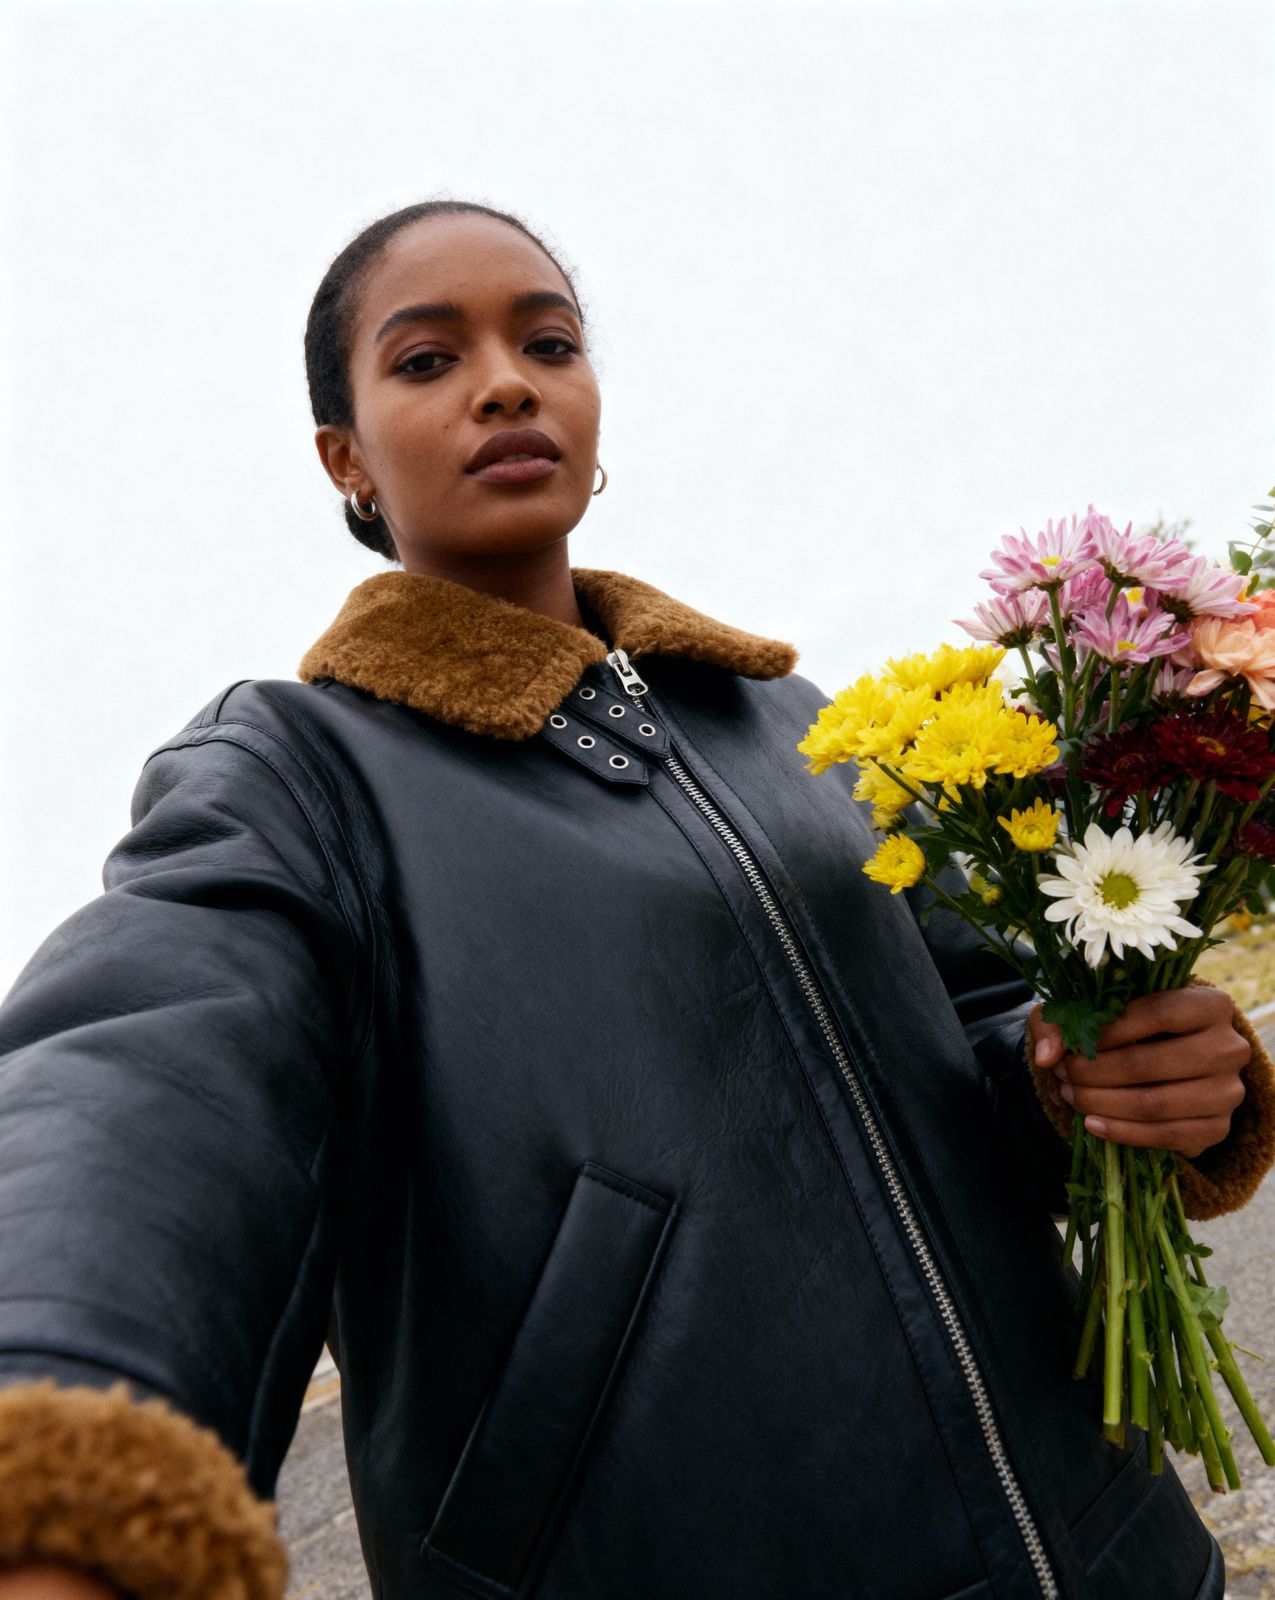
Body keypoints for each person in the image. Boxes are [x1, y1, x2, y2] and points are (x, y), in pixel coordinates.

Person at [0, 199, 1270, 1600]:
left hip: (1113, 1546)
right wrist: (55, 1441)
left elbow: (986, 1031)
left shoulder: (798, 724)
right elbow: (146, 1072)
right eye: (427, 359)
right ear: (345, 459)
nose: (506, 383)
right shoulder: (299, 776)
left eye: (548, 343)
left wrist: (1098, 1072)